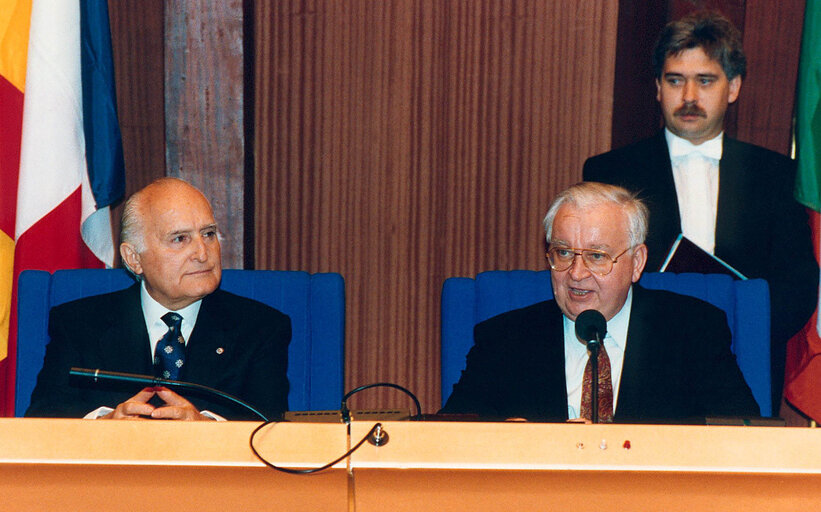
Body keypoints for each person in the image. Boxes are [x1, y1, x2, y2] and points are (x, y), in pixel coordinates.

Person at [582, 11, 818, 408]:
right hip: (642, 355)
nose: (689, 96)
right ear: (657, 87)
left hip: (746, 357)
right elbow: (598, 269)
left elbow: (797, 284)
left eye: (705, 81)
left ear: (734, 87)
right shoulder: (610, 171)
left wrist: (745, 328)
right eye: (675, 80)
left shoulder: (777, 175)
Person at [440, 182, 759, 422]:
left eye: (596, 256)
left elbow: (743, 440)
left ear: (636, 262)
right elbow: (451, 440)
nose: (576, 274)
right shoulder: (503, 341)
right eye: (563, 253)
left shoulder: (694, 332)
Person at [26, 178, 290, 420]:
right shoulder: (79, 324)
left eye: (208, 234)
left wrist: (210, 431)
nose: (202, 252)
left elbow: (270, 427)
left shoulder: (260, 328)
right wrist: (101, 428)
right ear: (134, 259)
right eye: (180, 239)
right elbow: (42, 420)